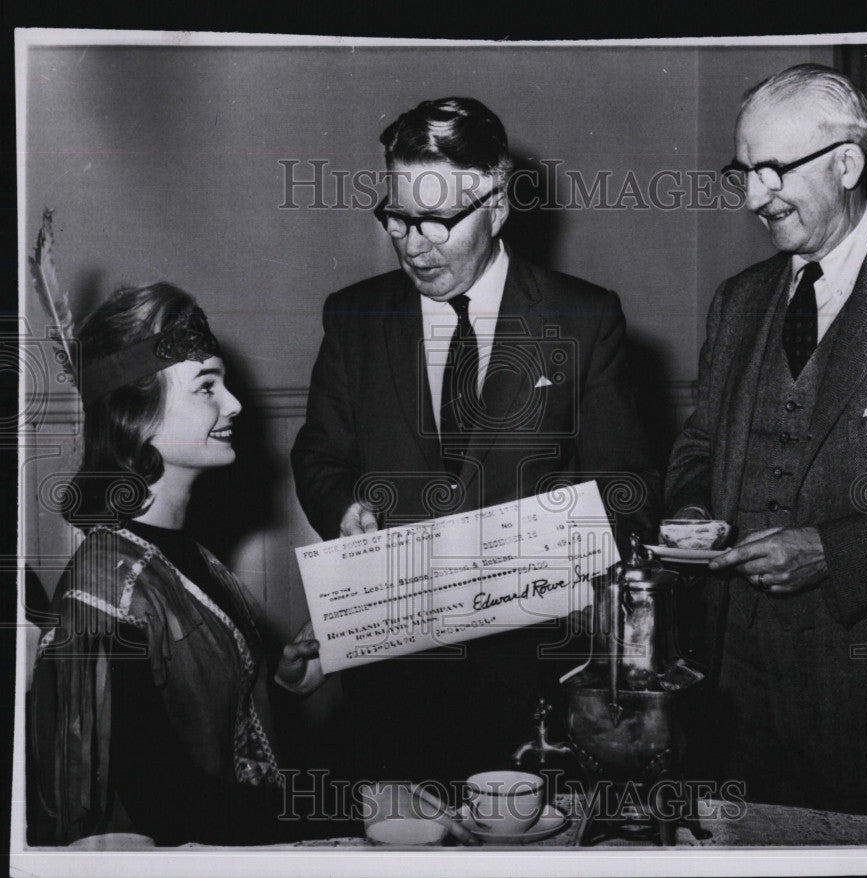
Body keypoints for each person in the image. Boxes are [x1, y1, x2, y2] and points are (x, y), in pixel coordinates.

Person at [663, 64, 867, 837]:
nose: (753, 196)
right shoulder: (738, 301)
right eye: (744, 172)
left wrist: (830, 553)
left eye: (775, 170)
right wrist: (690, 513)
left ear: (847, 164)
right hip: (730, 696)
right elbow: (697, 446)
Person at [291, 97, 659, 783]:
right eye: (396, 215)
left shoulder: (584, 318)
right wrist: (343, 509)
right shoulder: (354, 316)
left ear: (497, 205)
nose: (411, 241)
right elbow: (319, 455)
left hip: (534, 690)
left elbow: (628, 494)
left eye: (437, 220)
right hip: (392, 689)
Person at [29, 284, 348, 846]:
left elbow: (212, 737)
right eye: (207, 387)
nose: (235, 404)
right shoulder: (103, 597)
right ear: (136, 415)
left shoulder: (185, 554)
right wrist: (354, 804)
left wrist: (279, 682)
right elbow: (170, 806)